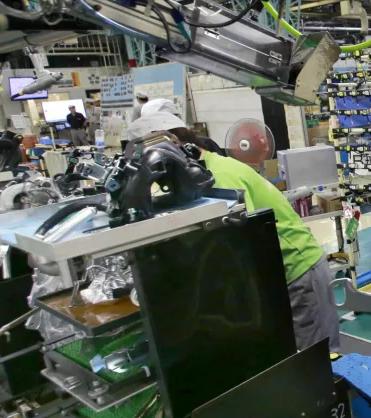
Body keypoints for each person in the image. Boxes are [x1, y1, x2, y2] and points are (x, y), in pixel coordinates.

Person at [125, 112, 341, 352]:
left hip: (298, 270)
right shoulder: (199, 175)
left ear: (174, 148)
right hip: (277, 273)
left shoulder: (219, 177)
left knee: (316, 358)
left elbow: (240, 238)